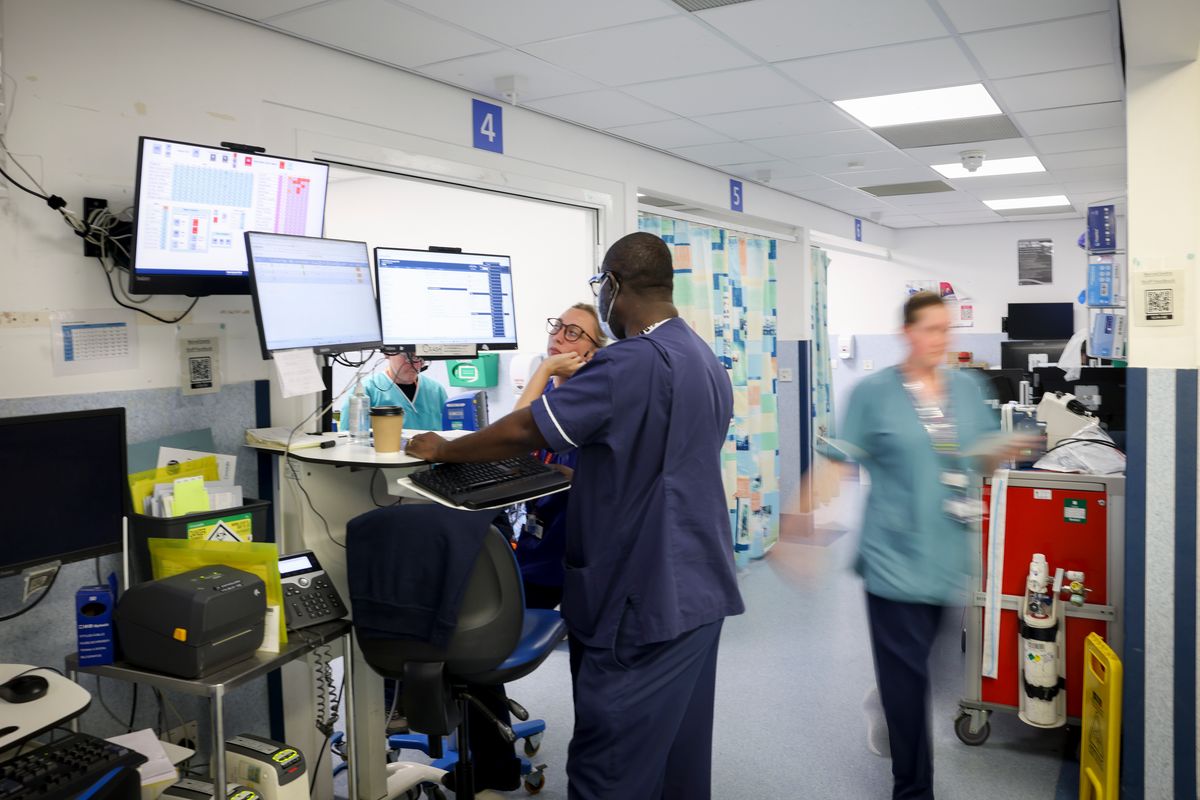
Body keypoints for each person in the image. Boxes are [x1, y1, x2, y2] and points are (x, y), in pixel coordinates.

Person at [408, 231, 744, 800]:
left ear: (612, 286)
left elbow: (525, 428)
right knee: (677, 760)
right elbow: (661, 462)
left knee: (607, 769)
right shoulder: (701, 357)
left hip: (640, 602)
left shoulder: (627, 363)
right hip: (699, 590)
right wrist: (579, 476)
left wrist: (445, 450)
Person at [831, 291, 1024, 800]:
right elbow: (840, 460)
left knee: (924, 671)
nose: (942, 339)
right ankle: (913, 788)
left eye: (947, 329)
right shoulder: (874, 393)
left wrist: (1001, 449)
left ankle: (889, 708)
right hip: (892, 556)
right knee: (907, 676)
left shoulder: (967, 387)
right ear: (907, 334)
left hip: (945, 554)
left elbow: (976, 458)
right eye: (932, 329)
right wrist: (795, 529)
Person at [511, 303, 607, 609]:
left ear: (591, 353)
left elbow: (516, 432)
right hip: (535, 538)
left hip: (569, 548)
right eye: (557, 327)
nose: (559, 337)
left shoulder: (589, 401)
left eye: (574, 333)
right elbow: (514, 440)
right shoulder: (546, 395)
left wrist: (546, 367)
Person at [341, 350, 448, 432]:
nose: (416, 365)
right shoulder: (365, 391)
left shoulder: (436, 391)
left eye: (421, 358)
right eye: (408, 356)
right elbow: (348, 441)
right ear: (388, 353)